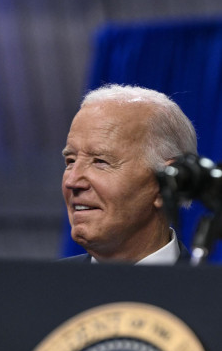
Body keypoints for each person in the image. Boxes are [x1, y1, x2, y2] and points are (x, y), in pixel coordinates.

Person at [62, 84, 197, 264]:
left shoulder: (215, 283)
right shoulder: (40, 281)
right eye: (71, 161)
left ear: (168, 184)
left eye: (100, 161)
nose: (72, 181)